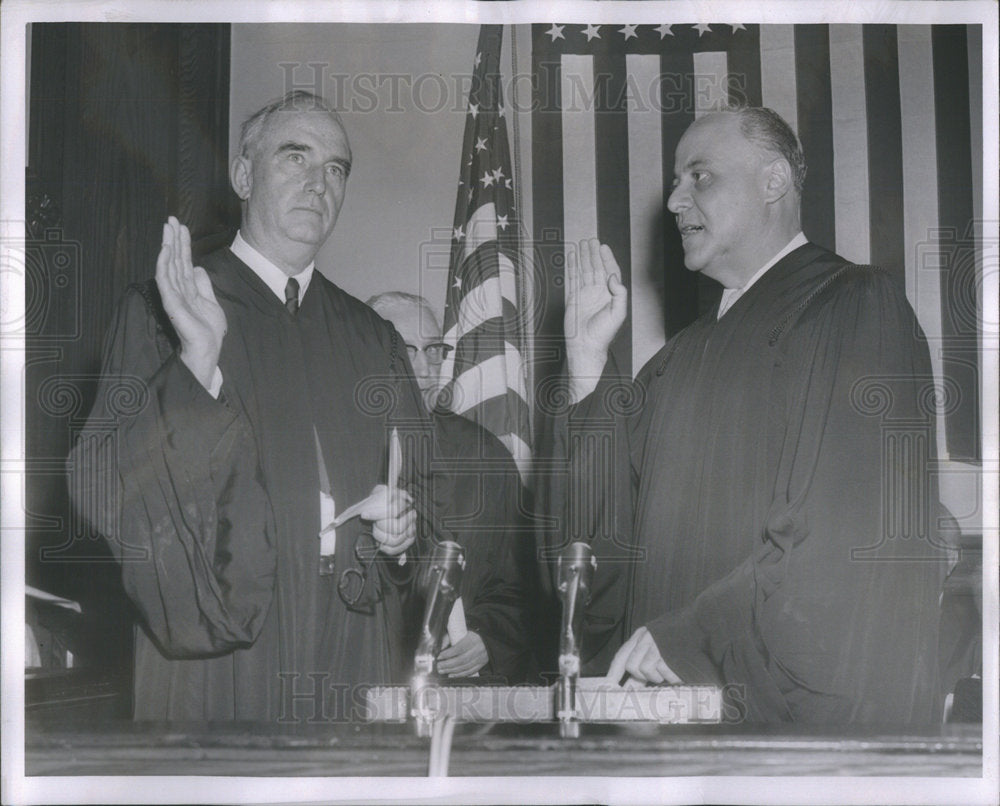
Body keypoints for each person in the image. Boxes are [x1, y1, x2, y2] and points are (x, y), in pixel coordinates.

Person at [551, 106, 949, 723]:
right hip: (659, 718)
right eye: (677, 183)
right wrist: (586, 361)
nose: (676, 201)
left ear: (773, 181)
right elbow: (602, 547)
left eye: (699, 176)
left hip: (774, 728)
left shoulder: (852, 307)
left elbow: (846, 540)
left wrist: (692, 640)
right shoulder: (678, 358)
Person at [68, 91, 431, 721]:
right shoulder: (164, 310)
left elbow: (423, 491)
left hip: (352, 643)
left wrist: (402, 536)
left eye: (336, 169)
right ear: (243, 173)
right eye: (296, 157)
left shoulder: (373, 337)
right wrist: (196, 364)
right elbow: (108, 484)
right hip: (226, 653)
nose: (320, 183)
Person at [367, 292, 533, 681]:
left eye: (433, 350)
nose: (424, 370)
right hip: (365, 681)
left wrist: (488, 637)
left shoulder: (483, 455)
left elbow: (520, 585)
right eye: (403, 350)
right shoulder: (336, 454)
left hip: (457, 693)